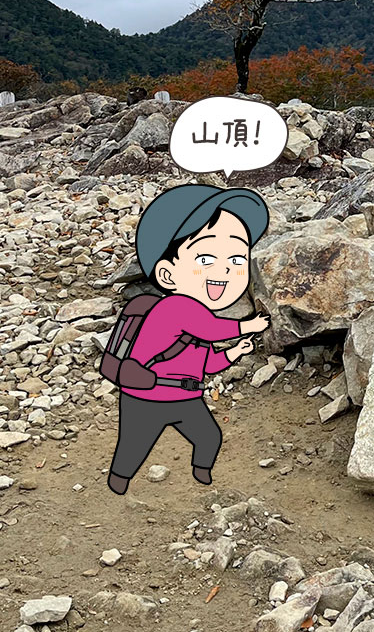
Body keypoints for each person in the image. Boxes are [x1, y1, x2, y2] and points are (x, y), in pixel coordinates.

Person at [106, 185, 270, 494]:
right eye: (206, 258)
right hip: (146, 397)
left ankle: (202, 473)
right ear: (167, 274)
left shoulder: (196, 318)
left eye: (236, 259)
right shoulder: (176, 307)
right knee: (133, 448)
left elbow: (207, 363)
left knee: (209, 438)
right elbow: (212, 329)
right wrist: (248, 326)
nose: (225, 267)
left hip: (185, 398)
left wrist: (235, 353)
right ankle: (118, 479)